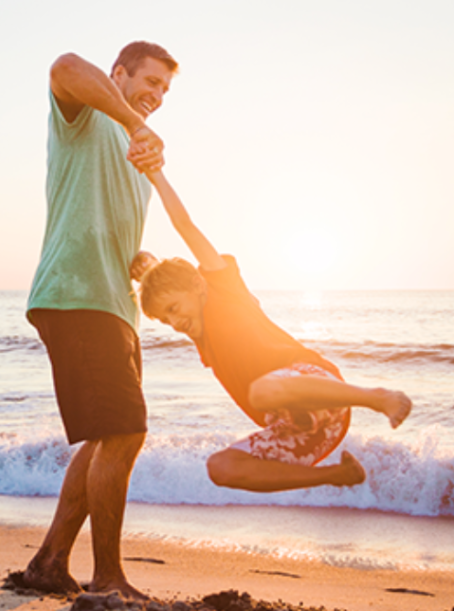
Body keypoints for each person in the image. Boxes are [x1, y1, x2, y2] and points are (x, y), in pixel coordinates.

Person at [136, 171, 412, 493]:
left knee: (261, 391)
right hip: (309, 431)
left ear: (198, 285)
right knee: (221, 467)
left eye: (173, 310)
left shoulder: (223, 290)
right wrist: (147, 269)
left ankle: (377, 398)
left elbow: (185, 226)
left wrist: (155, 173)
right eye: (165, 321)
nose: (174, 322)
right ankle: (337, 475)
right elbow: (167, 283)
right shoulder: (201, 335)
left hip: (317, 385)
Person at [21, 42, 178, 600]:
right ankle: (107, 578)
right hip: (75, 292)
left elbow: (119, 234)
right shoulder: (87, 114)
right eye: (150, 81)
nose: (156, 96)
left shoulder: (140, 158)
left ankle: (48, 563)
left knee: (106, 439)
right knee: (126, 430)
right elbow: (63, 66)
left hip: (116, 304)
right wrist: (133, 117)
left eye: (164, 89)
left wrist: (145, 262)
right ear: (119, 74)